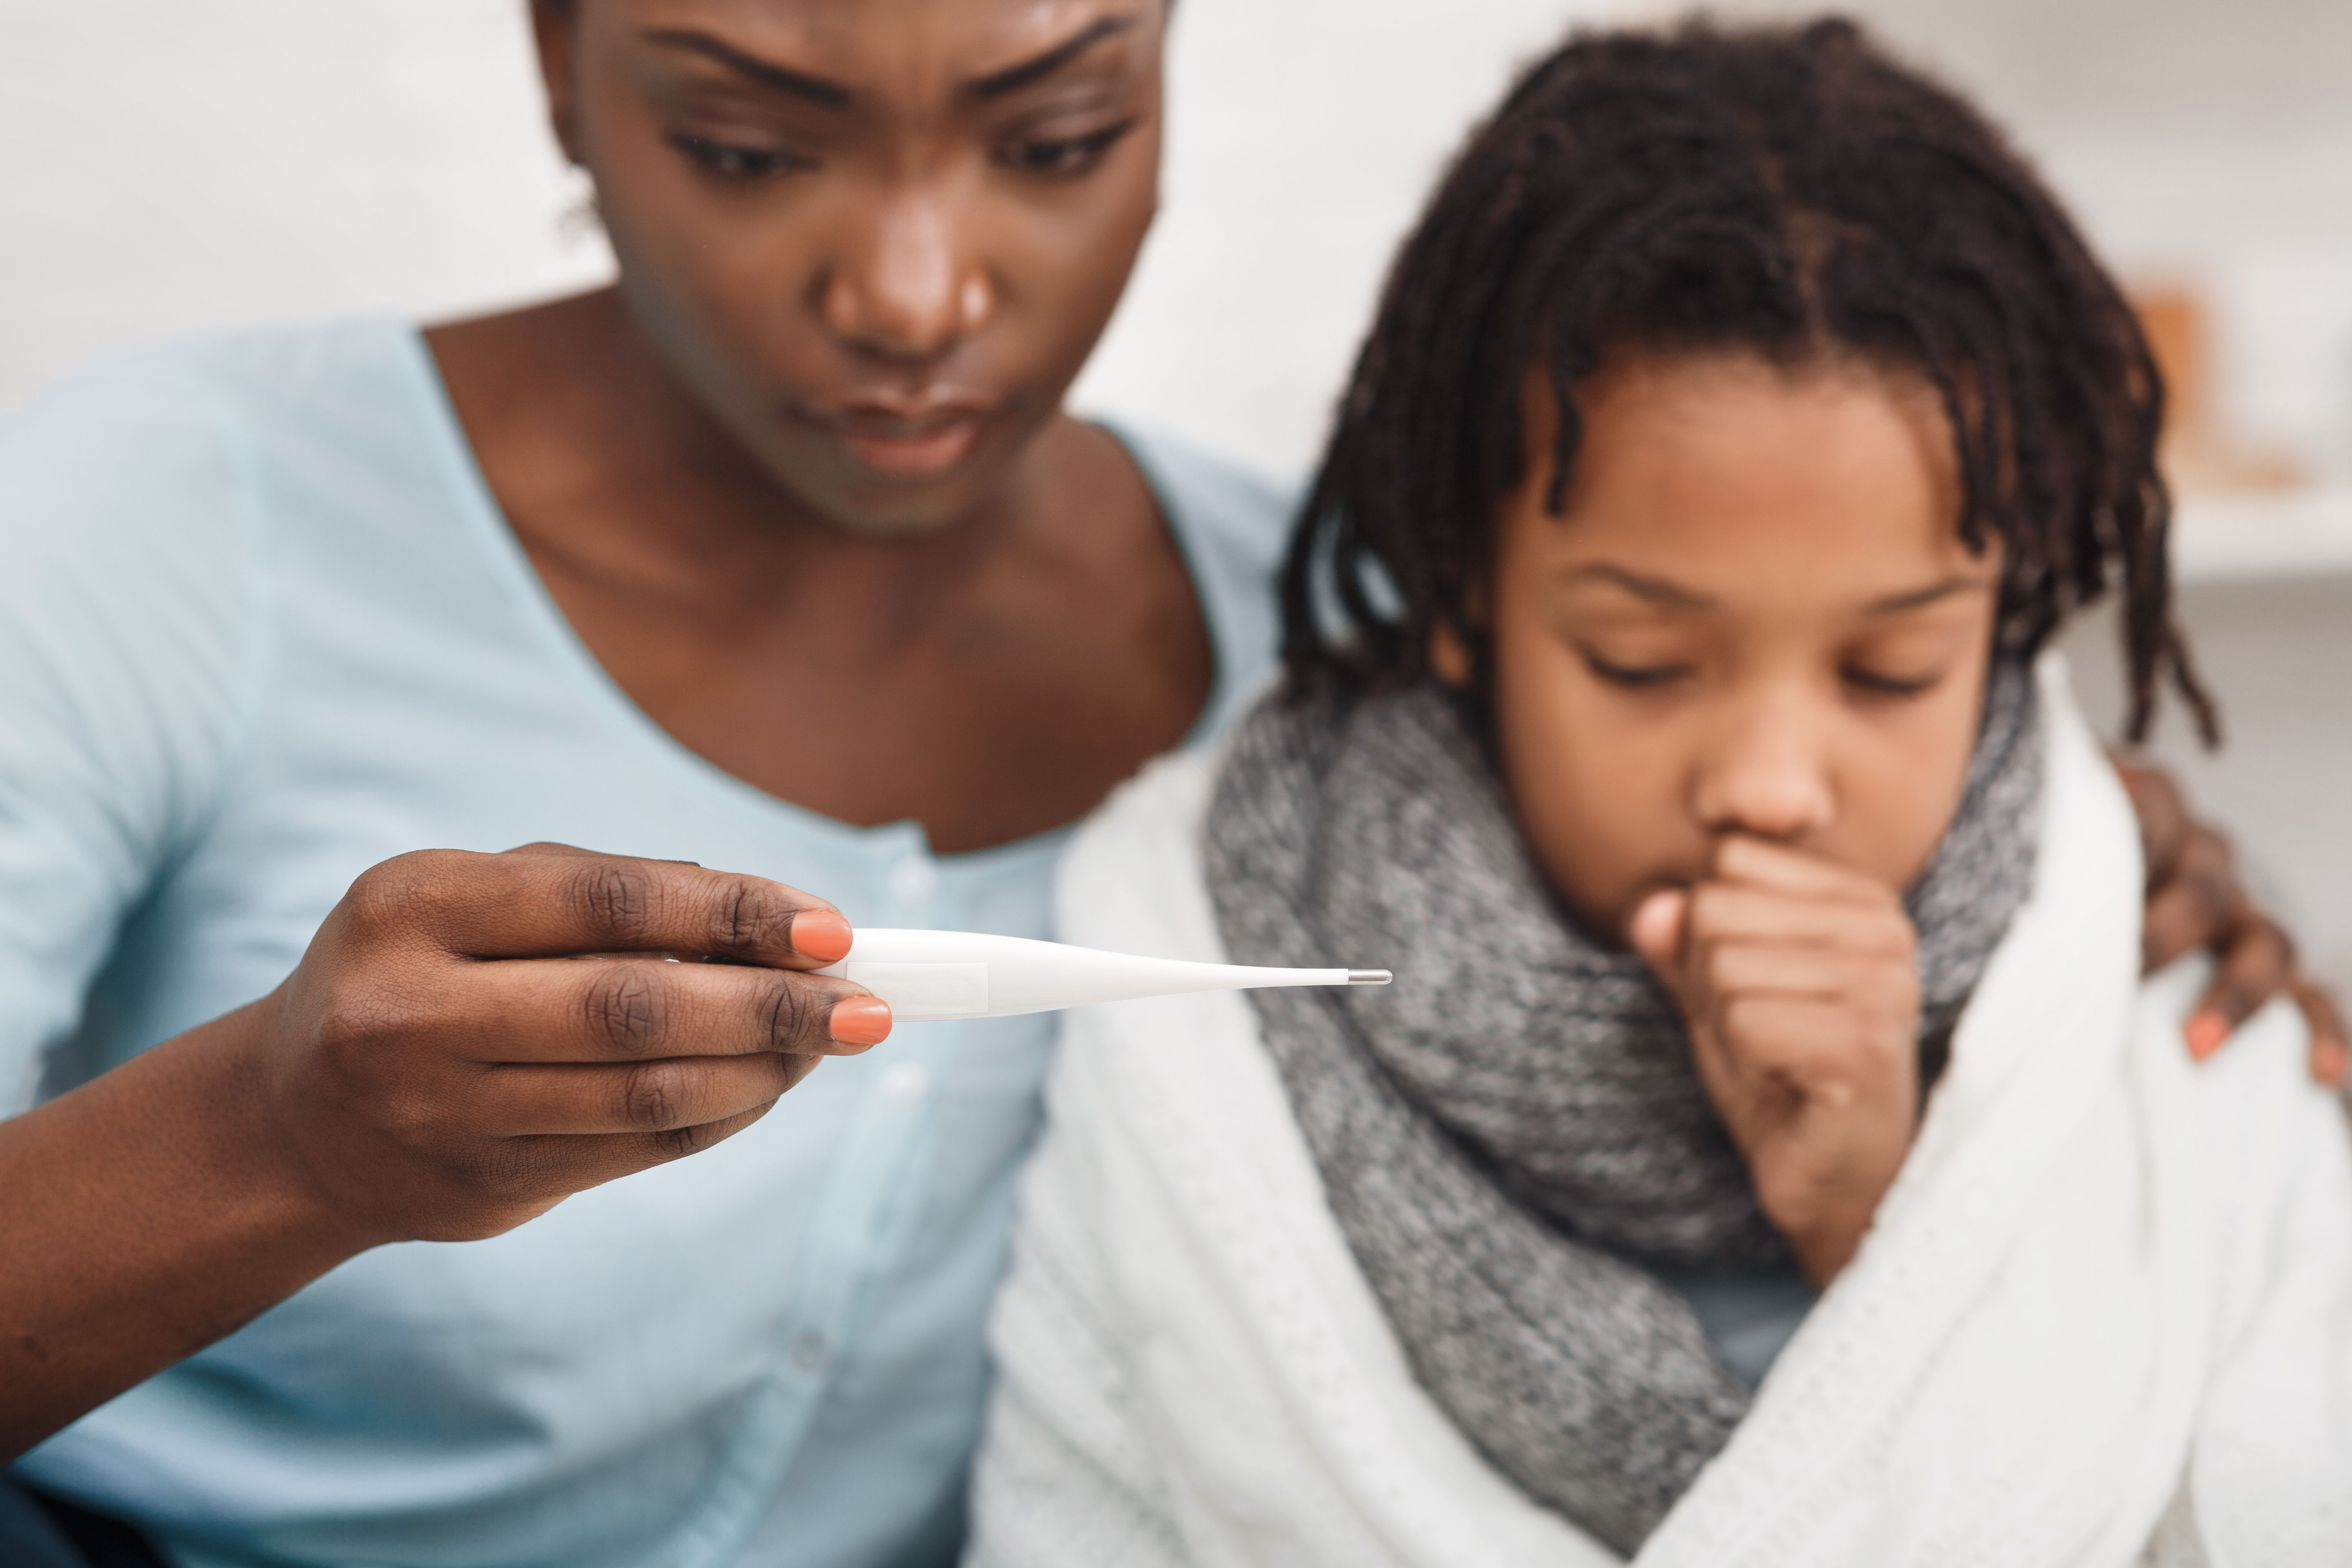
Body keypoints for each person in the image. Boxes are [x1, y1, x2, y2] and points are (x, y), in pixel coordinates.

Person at [0, 2, 2332, 1565]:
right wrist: (269, 1146)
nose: (918, 288)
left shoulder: (1313, 652)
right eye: (746, 140)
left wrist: (2072, 902)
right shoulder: (154, 526)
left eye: (1058, 137)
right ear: (550, 59)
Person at [964, 20, 2352, 1566]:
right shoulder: (1189, 972)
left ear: (2004, 621)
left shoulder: (2161, 991)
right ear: (1459, 594)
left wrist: (1889, 1219)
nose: (1770, 788)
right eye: (1640, 660)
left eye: (1890, 674)